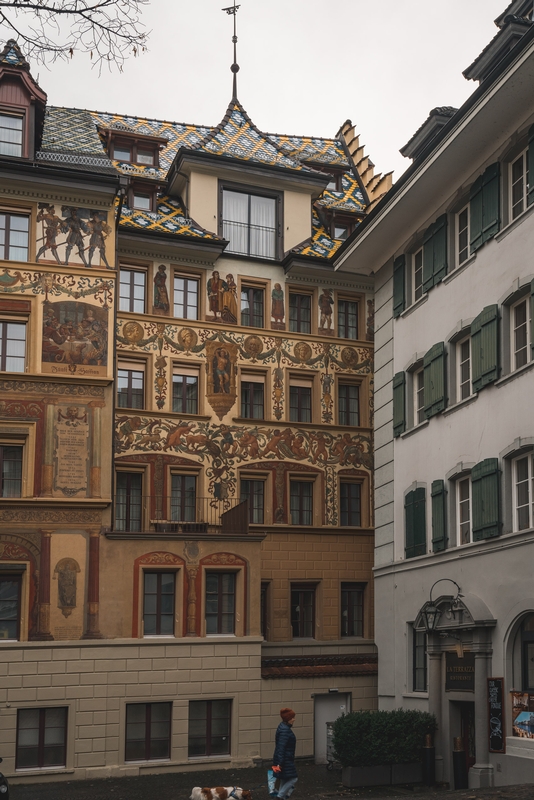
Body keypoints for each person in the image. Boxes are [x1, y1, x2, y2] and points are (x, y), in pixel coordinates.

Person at [272, 708, 297, 800]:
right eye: (293, 717)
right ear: (289, 719)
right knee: (293, 778)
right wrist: (280, 763)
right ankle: (280, 797)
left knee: (284, 779)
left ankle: (281, 796)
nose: (294, 719)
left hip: (283, 759)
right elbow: (281, 748)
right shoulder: (285, 731)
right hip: (285, 760)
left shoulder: (282, 727)